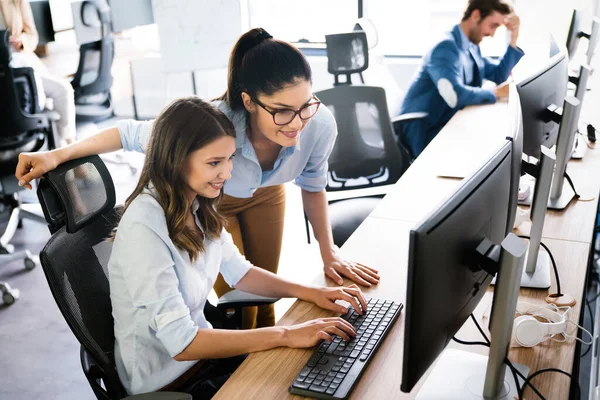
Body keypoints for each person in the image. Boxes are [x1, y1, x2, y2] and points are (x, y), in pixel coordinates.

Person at [15, 28, 380, 329]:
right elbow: (129, 132)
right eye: (283, 112)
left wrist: (328, 253)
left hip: (267, 196)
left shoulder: (319, 125)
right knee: (239, 303)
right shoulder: (212, 127)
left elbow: (313, 186)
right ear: (249, 102)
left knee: (266, 292)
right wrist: (55, 155)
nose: (298, 122)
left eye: (305, 106)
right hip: (216, 202)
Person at [109, 96, 366, 398]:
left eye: (229, 158)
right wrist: (284, 334)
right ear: (176, 160)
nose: (228, 173)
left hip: (206, 356)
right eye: (214, 163)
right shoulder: (144, 226)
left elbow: (240, 273)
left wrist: (312, 293)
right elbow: (181, 343)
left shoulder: (196, 204)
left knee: (317, 374)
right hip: (169, 382)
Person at [397, 0, 524, 158]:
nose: (492, 34)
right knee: (482, 154)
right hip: (425, 130)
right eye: (493, 25)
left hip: (448, 121)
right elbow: (454, 95)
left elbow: (498, 75)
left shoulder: (471, 47)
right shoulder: (445, 48)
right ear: (476, 15)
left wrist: (514, 38)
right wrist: (496, 93)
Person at [0, 0, 76, 145]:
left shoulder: (16, 1)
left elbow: (32, 35)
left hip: (20, 61)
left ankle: (70, 144)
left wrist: (21, 40)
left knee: (63, 89)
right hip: (3, 72)